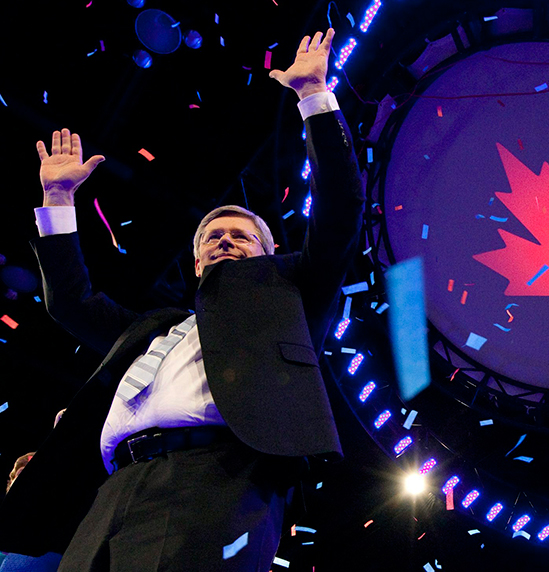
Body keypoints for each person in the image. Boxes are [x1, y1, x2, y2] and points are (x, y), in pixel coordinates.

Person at [0, 28, 365, 571]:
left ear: (270, 253)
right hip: (109, 493)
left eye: (240, 236)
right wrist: (57, 200)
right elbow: (71, 302)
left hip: (214, 481)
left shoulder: (289, 294)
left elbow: (338, 211)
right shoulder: (153, 328)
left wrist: (313, 95)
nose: (223, 240)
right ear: (196, 266)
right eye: (211, 239)